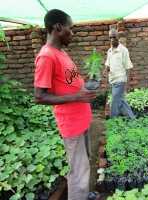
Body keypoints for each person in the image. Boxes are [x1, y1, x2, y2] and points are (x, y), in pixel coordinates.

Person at [34, 9, 99, 200]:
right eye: (70, 29)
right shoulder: (47, 56)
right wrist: (78, 97)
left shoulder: (61, 52)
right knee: (78, 170)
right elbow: (40, 96)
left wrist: (85, 86)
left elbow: (68, 82)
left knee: (83, 164)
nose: (73, 33)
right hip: (71, 124)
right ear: (58, 28)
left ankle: (85, 193)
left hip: (81, 119)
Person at [104, 28, 135, 119]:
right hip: (113, 80)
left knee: (114, 101)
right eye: (110, 37)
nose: (112, 39)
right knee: (121, 101)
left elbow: (128, 67)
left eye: (114, 37)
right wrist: (106, 70)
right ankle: (132, 118)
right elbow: (108, 64)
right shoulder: (109, 51)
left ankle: (113, 120)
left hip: (120, 80)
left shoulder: (123, 50)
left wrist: (127, 83)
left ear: (118, 37)